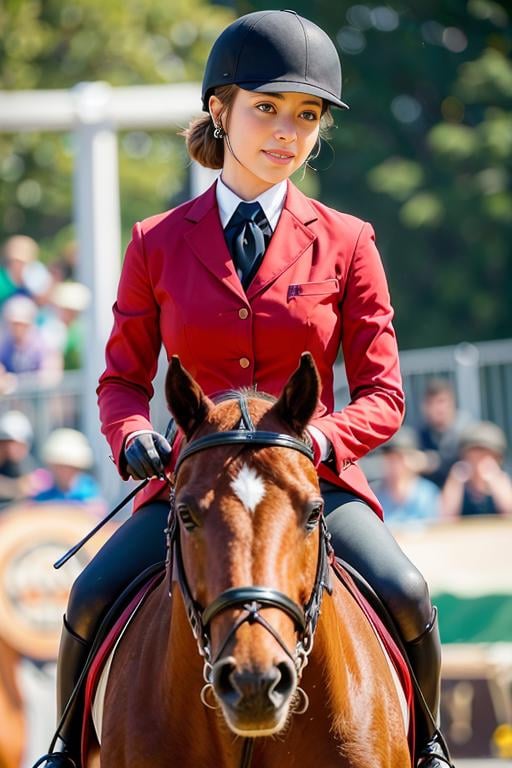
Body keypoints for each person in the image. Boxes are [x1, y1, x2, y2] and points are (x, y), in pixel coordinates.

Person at [35, 11, 453, 768]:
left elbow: (384, 394)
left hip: (311, 481)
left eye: (306, 116)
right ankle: (67, 751)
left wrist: (318, 440)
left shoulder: (350, 240)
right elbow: (123, 380)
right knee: (90, 596)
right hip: (191, 486)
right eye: (266, 108)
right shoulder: (155, 242)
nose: (287, 133)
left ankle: (427, 750)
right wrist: (133, 436)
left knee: (408, 591)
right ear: (219, 111)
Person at [441, 421, 512, 518]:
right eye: (473, 453)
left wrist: (495, 480)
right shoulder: (458, 481)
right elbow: (444, 518)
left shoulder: (502, 480)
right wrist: (455, 482)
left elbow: (509, 513)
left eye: (485, 453)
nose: (478, 460)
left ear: (498, 458)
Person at [374, 426, 441, 526]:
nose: (394, 465)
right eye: (389, 458)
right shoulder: (376, 496)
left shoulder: (427, 494)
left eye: (399, 458)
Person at [416, 378, 473, 488]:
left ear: (452, 402)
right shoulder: (421, 432)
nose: (437, 408)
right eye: (431, 403)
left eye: (441, 401)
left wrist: (433, 462)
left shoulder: (467, 430)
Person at [32, 428, 102, 504]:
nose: (63, 472)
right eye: (59, 466)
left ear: (77, 468)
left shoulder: (89, 495)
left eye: (68, 467)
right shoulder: (43, 494)